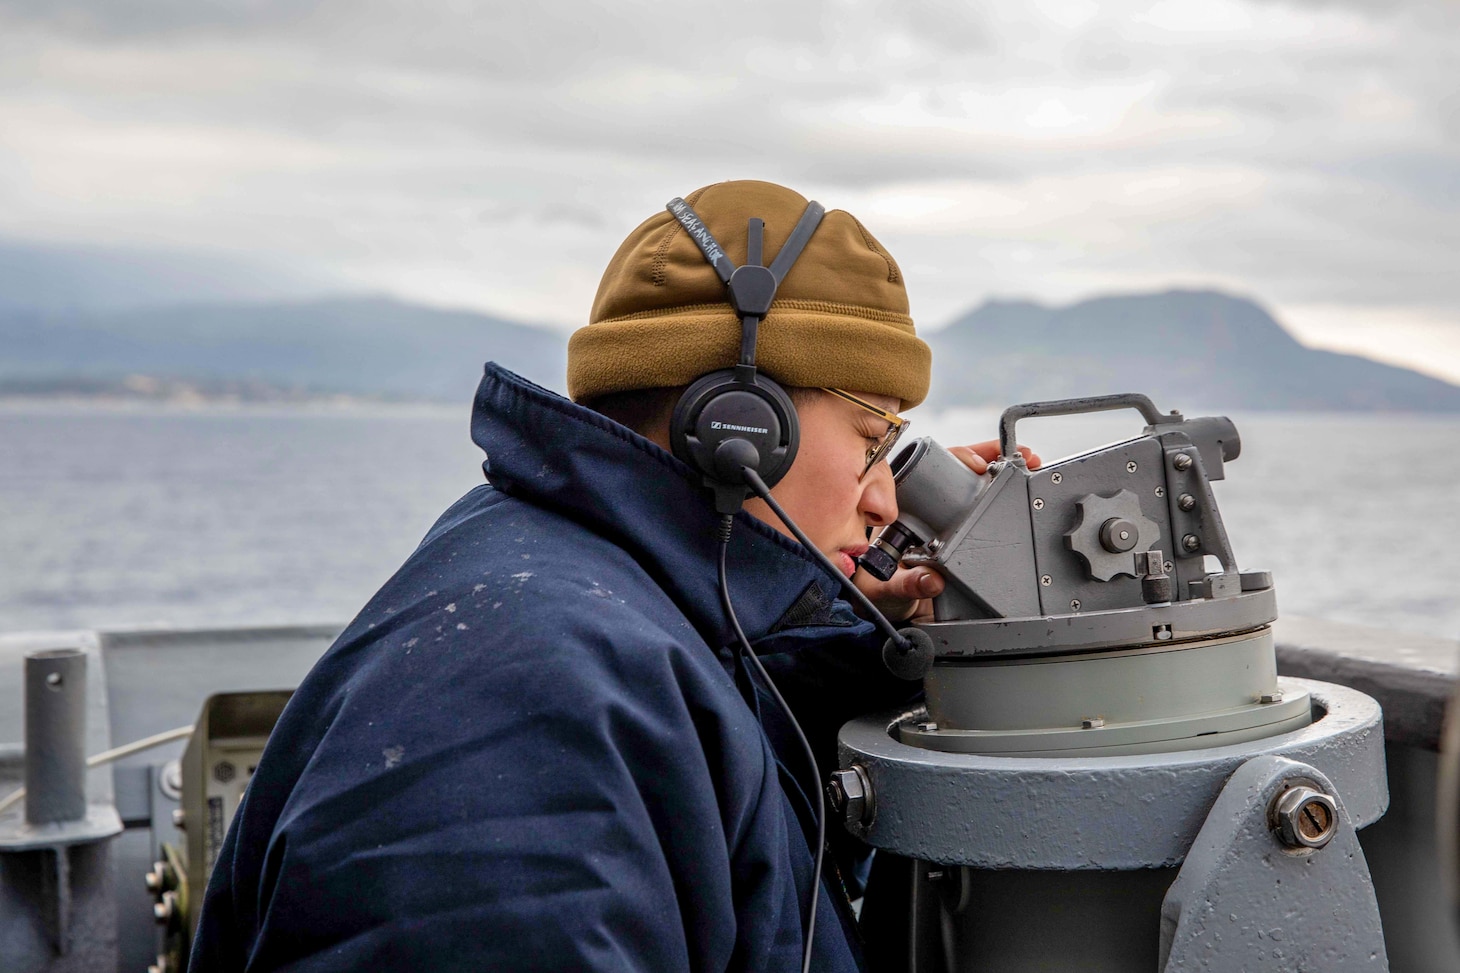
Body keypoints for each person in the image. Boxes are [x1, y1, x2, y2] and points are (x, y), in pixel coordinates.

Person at [189, 179, 1034, 971]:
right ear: (740, 428)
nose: (886, 499)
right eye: (871, 438)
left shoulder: (595, 589)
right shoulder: (527, 701)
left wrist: (826, 646)